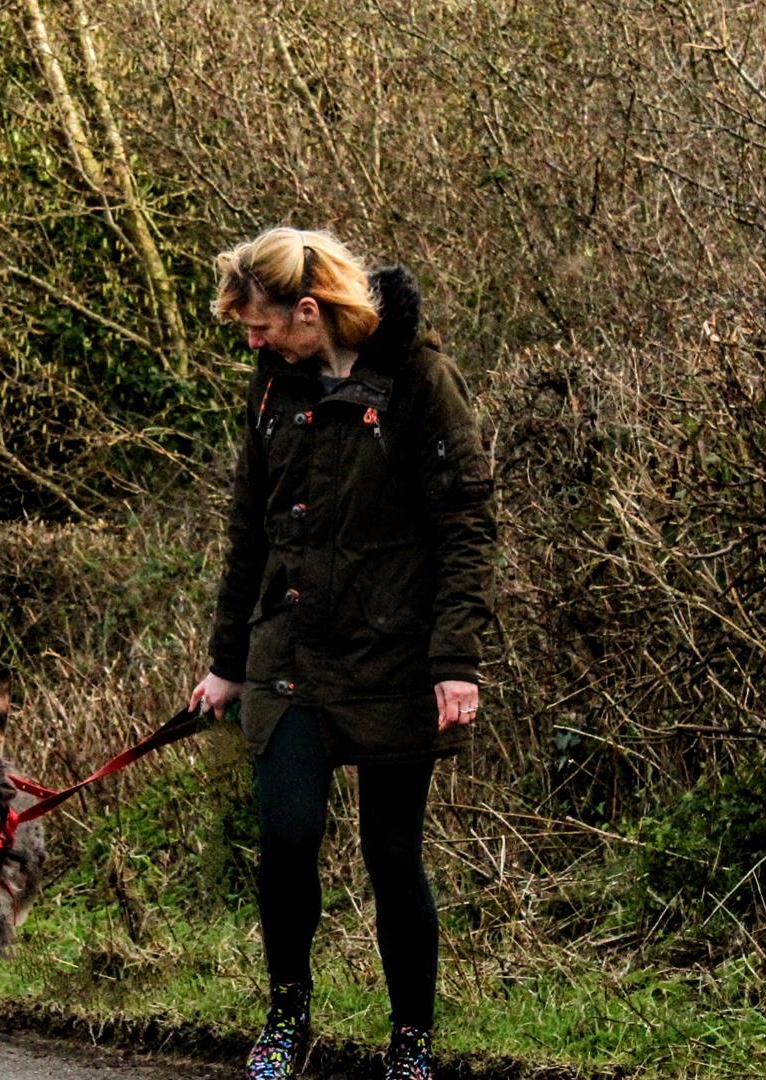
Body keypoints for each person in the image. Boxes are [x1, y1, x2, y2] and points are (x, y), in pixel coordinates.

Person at [189, 229, 496, 1080]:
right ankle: (286, 1018)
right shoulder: (272, 386)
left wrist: (454, 661)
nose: (250, 343)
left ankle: (412, 1042)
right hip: (289, 656)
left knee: (392, 853)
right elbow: (247, 529)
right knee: (287, 838)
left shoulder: (418, 379)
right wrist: (226, 663)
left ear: (309, 310)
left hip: (396, 655)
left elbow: (466, 526)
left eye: (259, 327)